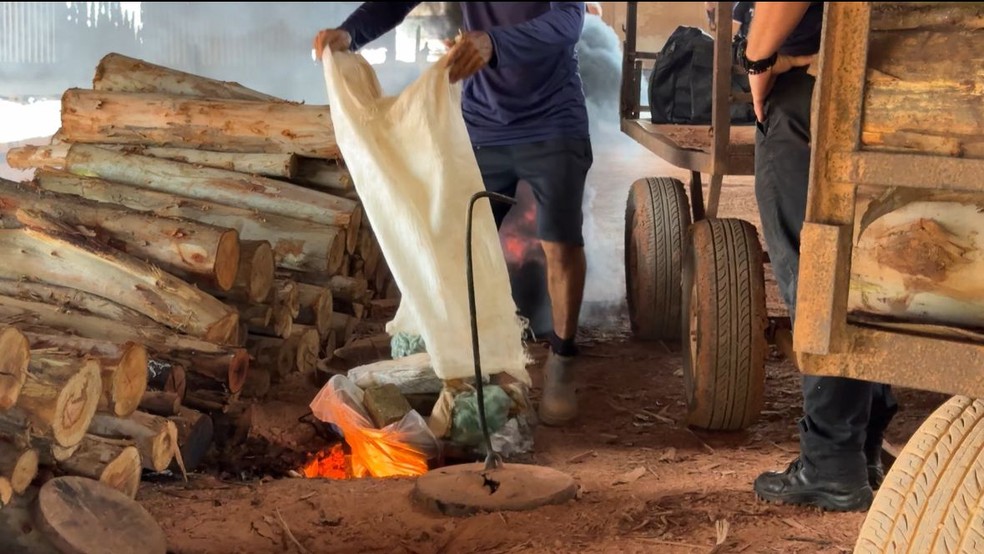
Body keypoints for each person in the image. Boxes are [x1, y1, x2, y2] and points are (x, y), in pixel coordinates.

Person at [313, 3, 592, 427]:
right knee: (460, 244)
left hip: (552, 123)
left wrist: (494, 42)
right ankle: (475, 360)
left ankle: (563, 359)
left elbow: (569, 21)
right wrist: (352, 33)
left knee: (561, 243)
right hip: (482, 123)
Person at [737, 2, 898, 512]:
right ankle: (862, 448)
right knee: (868, 271)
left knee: (814, 275)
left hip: (814, 91)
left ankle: (831, 464)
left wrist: (758, 62)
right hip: (893, 86)